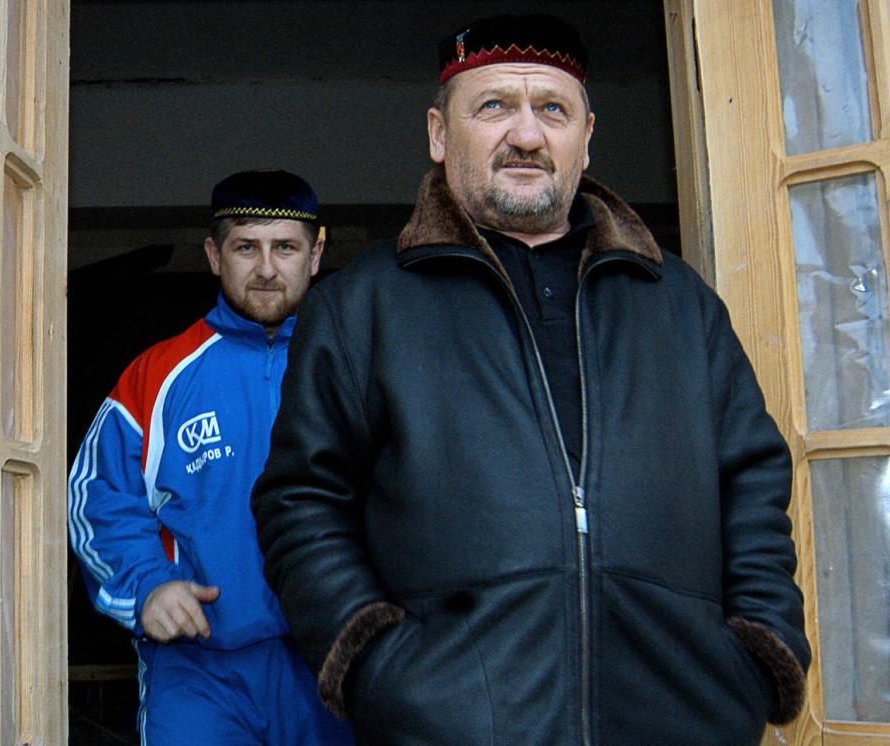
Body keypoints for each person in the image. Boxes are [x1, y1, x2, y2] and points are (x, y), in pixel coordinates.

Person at [251, 15, 812, 746]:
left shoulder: (678, 301)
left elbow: (753, 481)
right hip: (448, 725)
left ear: (586, 135)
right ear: (438, 134)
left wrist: (758, 652)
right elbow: (302, 501)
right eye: (493, 107)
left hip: (685, 719)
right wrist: (374, 663)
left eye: (553, 109)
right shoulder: (362, 307)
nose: (525, 134)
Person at [68, 170, 354, 745]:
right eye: (246, 247)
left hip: (332, 665)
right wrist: (148, 585)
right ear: (214, 255)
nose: (267, 268)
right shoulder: (157, 375)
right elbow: (97, 497)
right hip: (197, 669)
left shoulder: (355, 366)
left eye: (286, 248)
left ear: (316, 254)